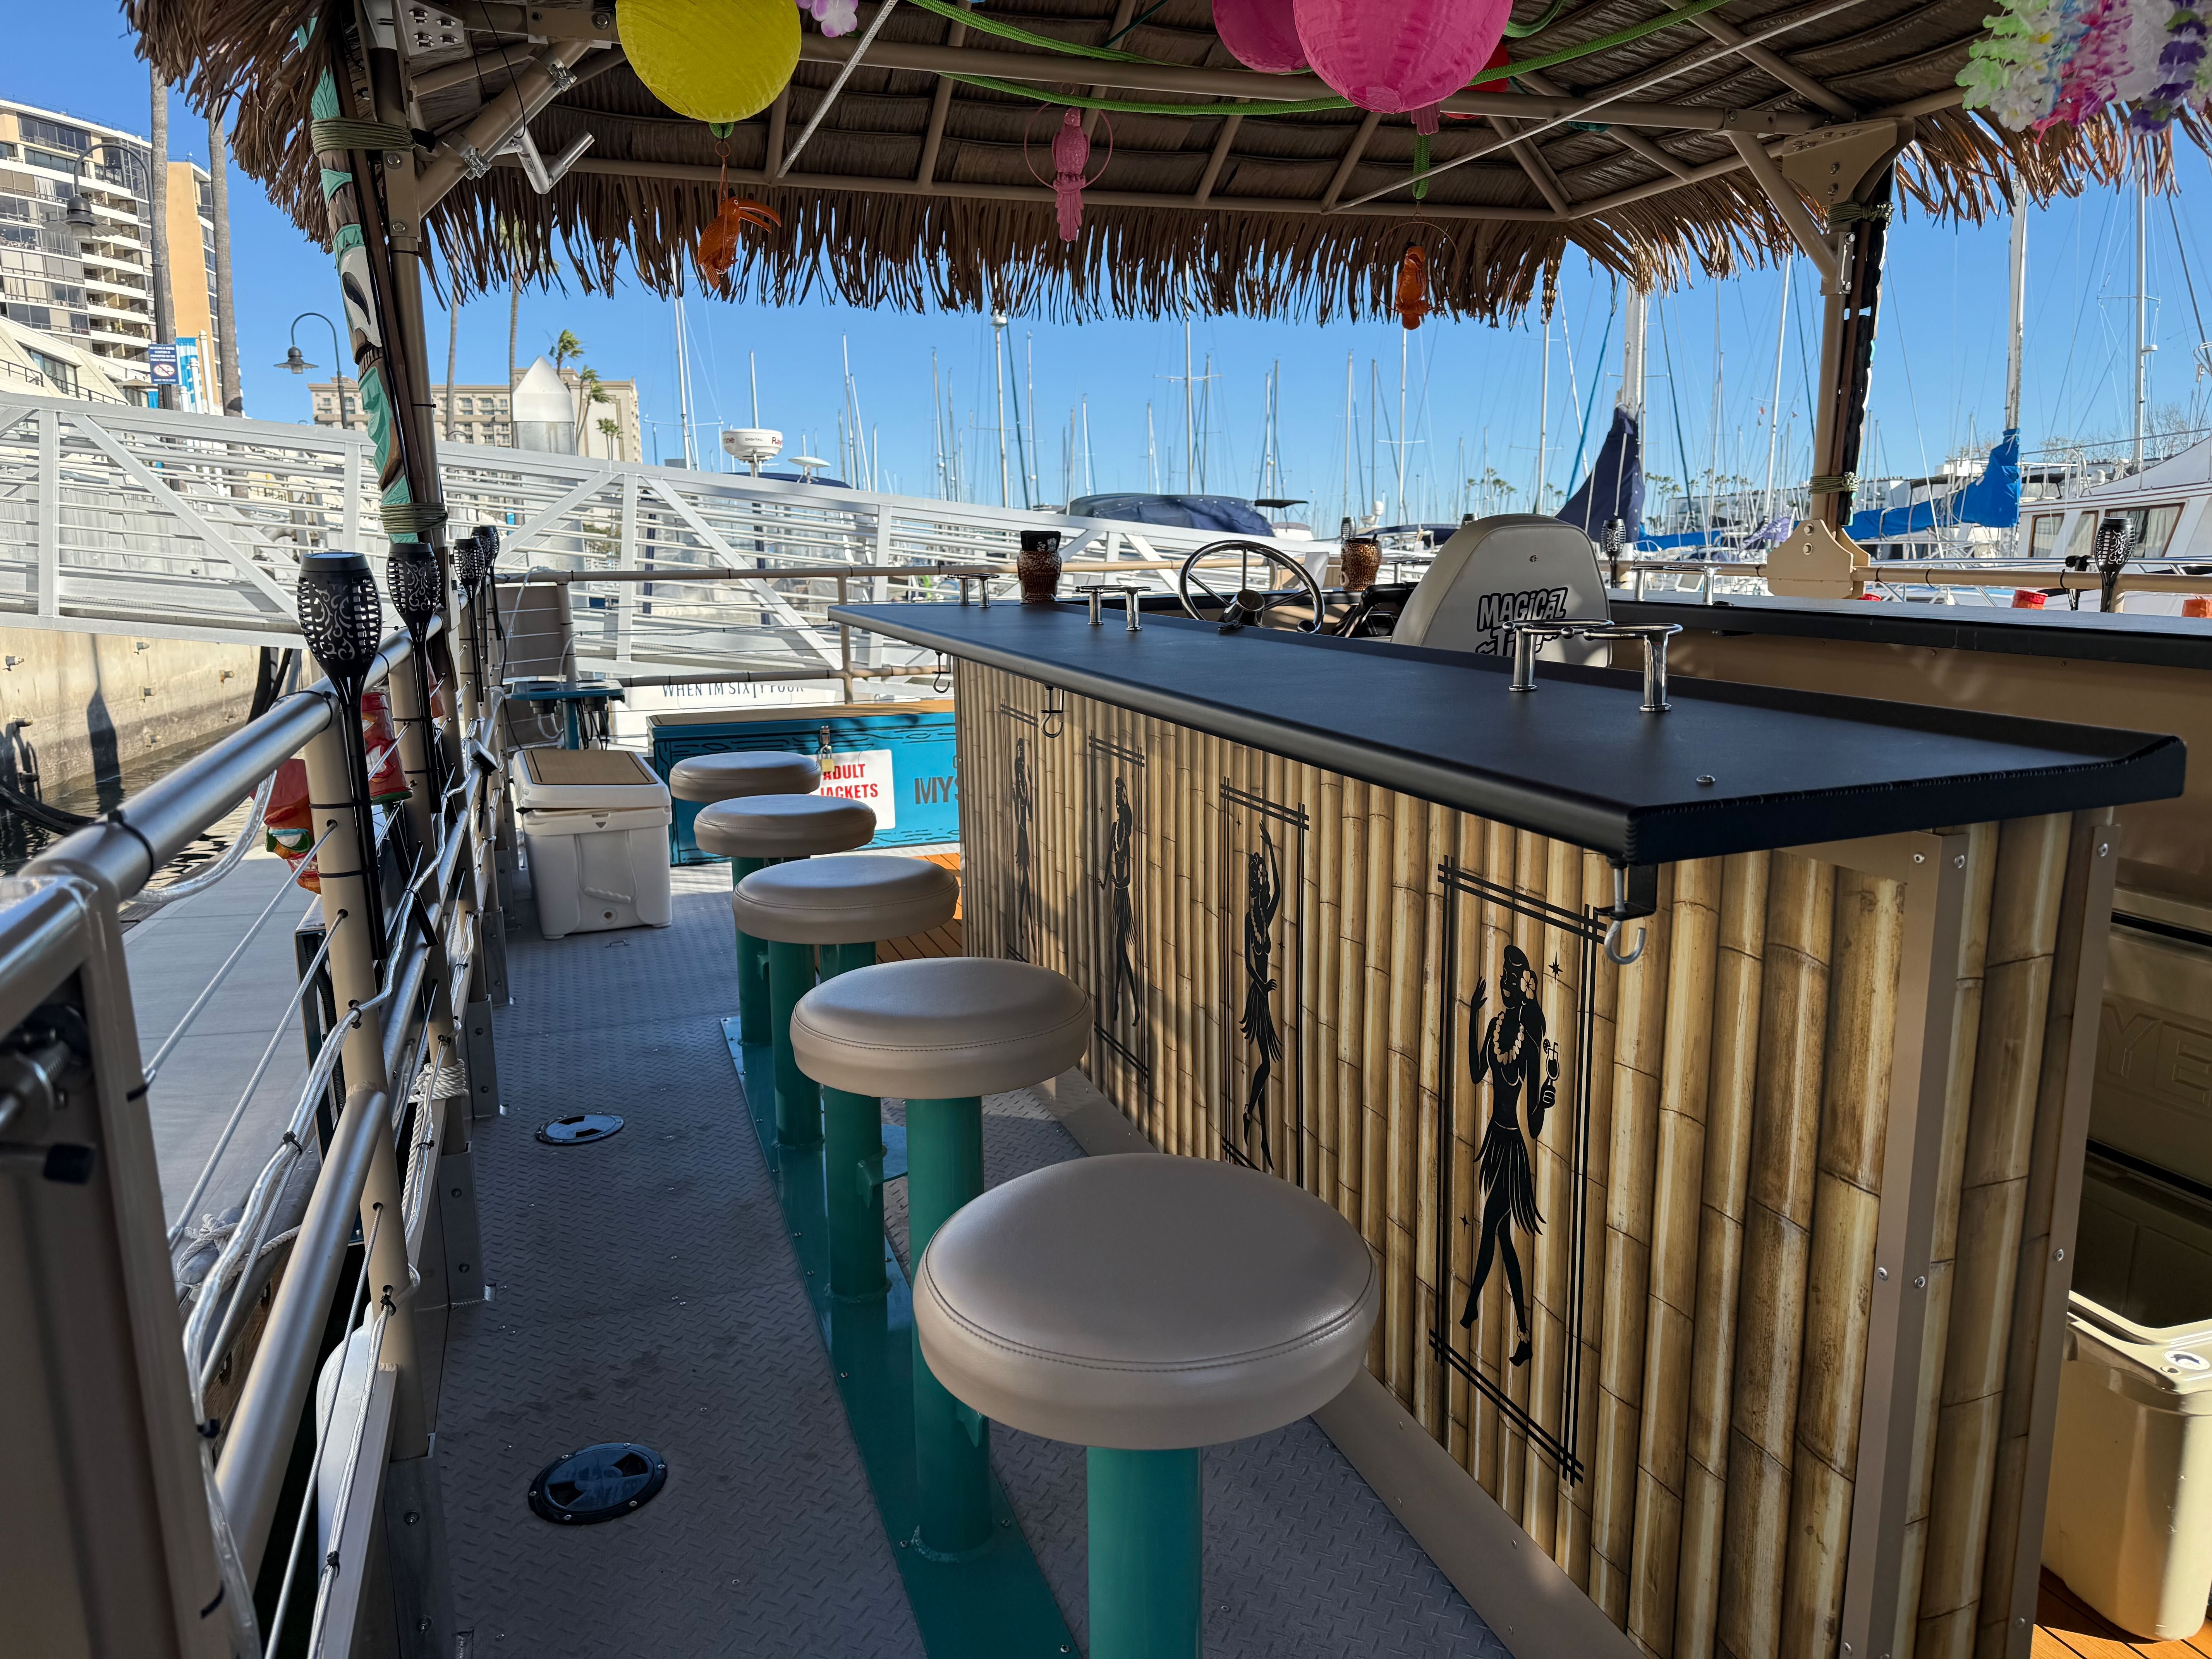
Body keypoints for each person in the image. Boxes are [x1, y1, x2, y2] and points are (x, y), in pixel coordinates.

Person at [1457, 943, 1557, 1367]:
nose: (1503, 983)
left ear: (1523, 986)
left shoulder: (1530, 1044)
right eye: (1502, 976)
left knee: (1490, 1229)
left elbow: (1533, 1124)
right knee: (1503, 1241)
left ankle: (1473, 1303)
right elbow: (1478, 1072)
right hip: (1494, 1143)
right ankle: (1523, 1332)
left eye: (1511, 979)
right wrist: (1474, 1016)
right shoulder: (1497, 1025)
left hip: (1513, 1149)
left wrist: (1546, 1101)